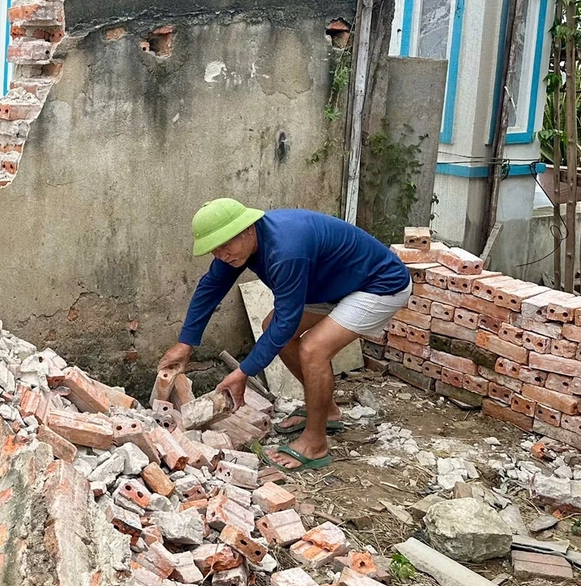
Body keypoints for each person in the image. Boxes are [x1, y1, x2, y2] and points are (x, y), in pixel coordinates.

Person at [159, 199, 411, 472]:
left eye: (225, 245)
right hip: (332, 285)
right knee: (272, 328)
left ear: (246, 229)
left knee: (313, 349)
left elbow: (287, 321)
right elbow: (211, 286)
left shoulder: (286, 250)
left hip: (379, 284)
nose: (221, 255)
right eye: (214, 249)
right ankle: (326, 411)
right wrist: (185, 343)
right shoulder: (241, 246)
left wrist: (244, 372)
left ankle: (315, 445)